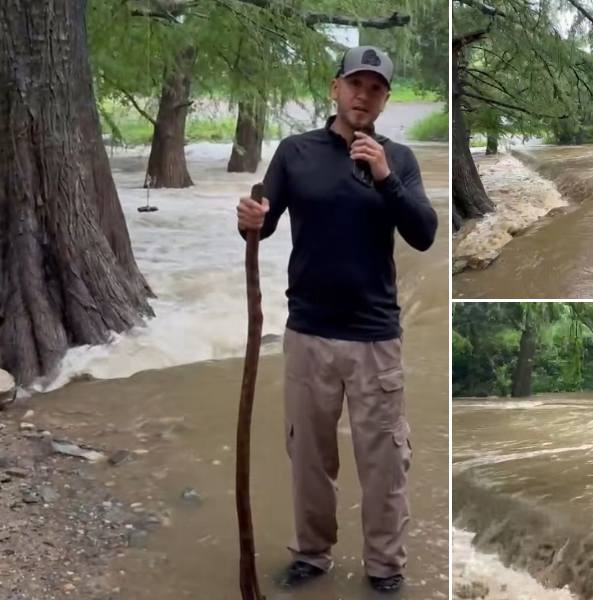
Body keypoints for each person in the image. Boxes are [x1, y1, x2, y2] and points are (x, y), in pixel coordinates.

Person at [235, 46, 438, 594]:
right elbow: (263, 221)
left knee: (385, 463)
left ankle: (384, 566)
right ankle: (312, 554)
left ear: (385, 99)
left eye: (375, 88)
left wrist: (385, 177)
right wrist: (249, 218)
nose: (362, 95)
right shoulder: (295, 153)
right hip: (307, 334)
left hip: (375, 339)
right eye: (355, 83)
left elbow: (424, 232)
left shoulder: (398, 159)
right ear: (335, 88)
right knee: (308, 456)